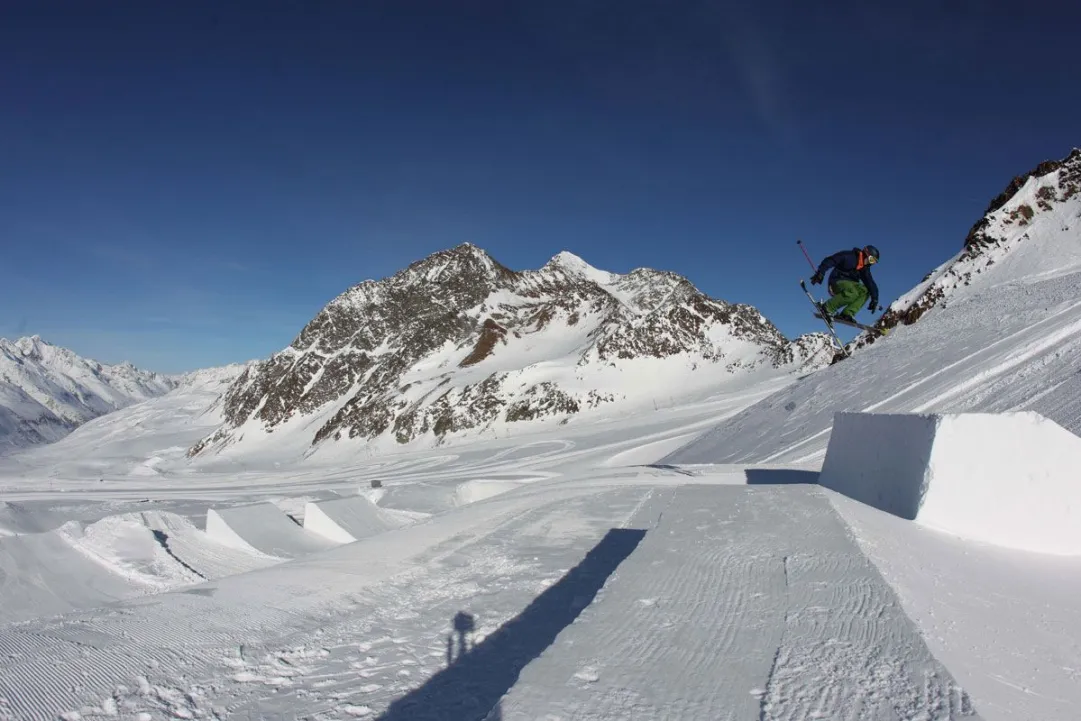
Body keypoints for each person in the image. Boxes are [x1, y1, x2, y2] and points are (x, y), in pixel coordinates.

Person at [810, 245, 881, 320]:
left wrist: (875, 299)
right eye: (871, 260)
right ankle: (827, 307)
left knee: (866, 291)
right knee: (853, 291)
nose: (871, 263)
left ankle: (847, 313)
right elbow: (831, 260)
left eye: (874, 262)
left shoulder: (864, 269)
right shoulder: (849, 256)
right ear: (866, 254)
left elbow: (871, 283)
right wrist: (821, 272)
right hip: (836, 281)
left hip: (850, 285)